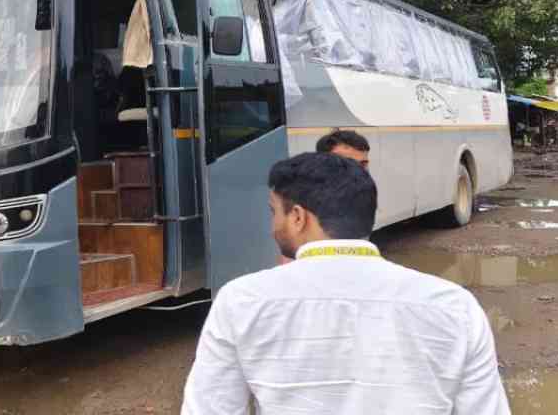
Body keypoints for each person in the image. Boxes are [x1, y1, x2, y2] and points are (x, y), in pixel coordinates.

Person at [182, 152, 509, 414]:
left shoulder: (241, 301)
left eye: (274, 213)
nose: (272, 226)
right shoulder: (453, 305)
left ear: (298, 217)